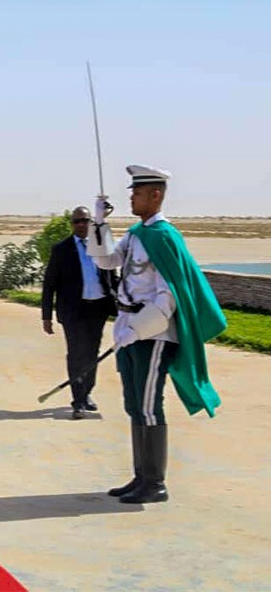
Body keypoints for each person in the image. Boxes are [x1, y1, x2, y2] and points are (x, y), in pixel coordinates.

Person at [88, 164, 226, 504]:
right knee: (134, 404)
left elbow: (168, 297)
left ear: (156, 195)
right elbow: (106, 261)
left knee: (149, 405)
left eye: (137, 192)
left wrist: (137, 330)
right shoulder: (137, 233)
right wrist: (99, 224)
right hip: (130, 330)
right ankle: (141, 476)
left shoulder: (164, 237)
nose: (131, 198)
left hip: (154, 334)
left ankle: (155, 482)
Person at [41, 206, 118, 419]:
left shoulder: (101, 247)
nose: (81, 225)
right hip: (73, 311)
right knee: (76, 354)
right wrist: (46, 316)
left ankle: (87, 391)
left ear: (91, 223)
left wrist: (123, 301)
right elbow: (49, 284)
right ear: (72, 224)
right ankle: (78, 400)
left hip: (98, 308)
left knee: (92, 352)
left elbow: (112, 276)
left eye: (85, 221)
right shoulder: (61, 250)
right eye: (77, 221)